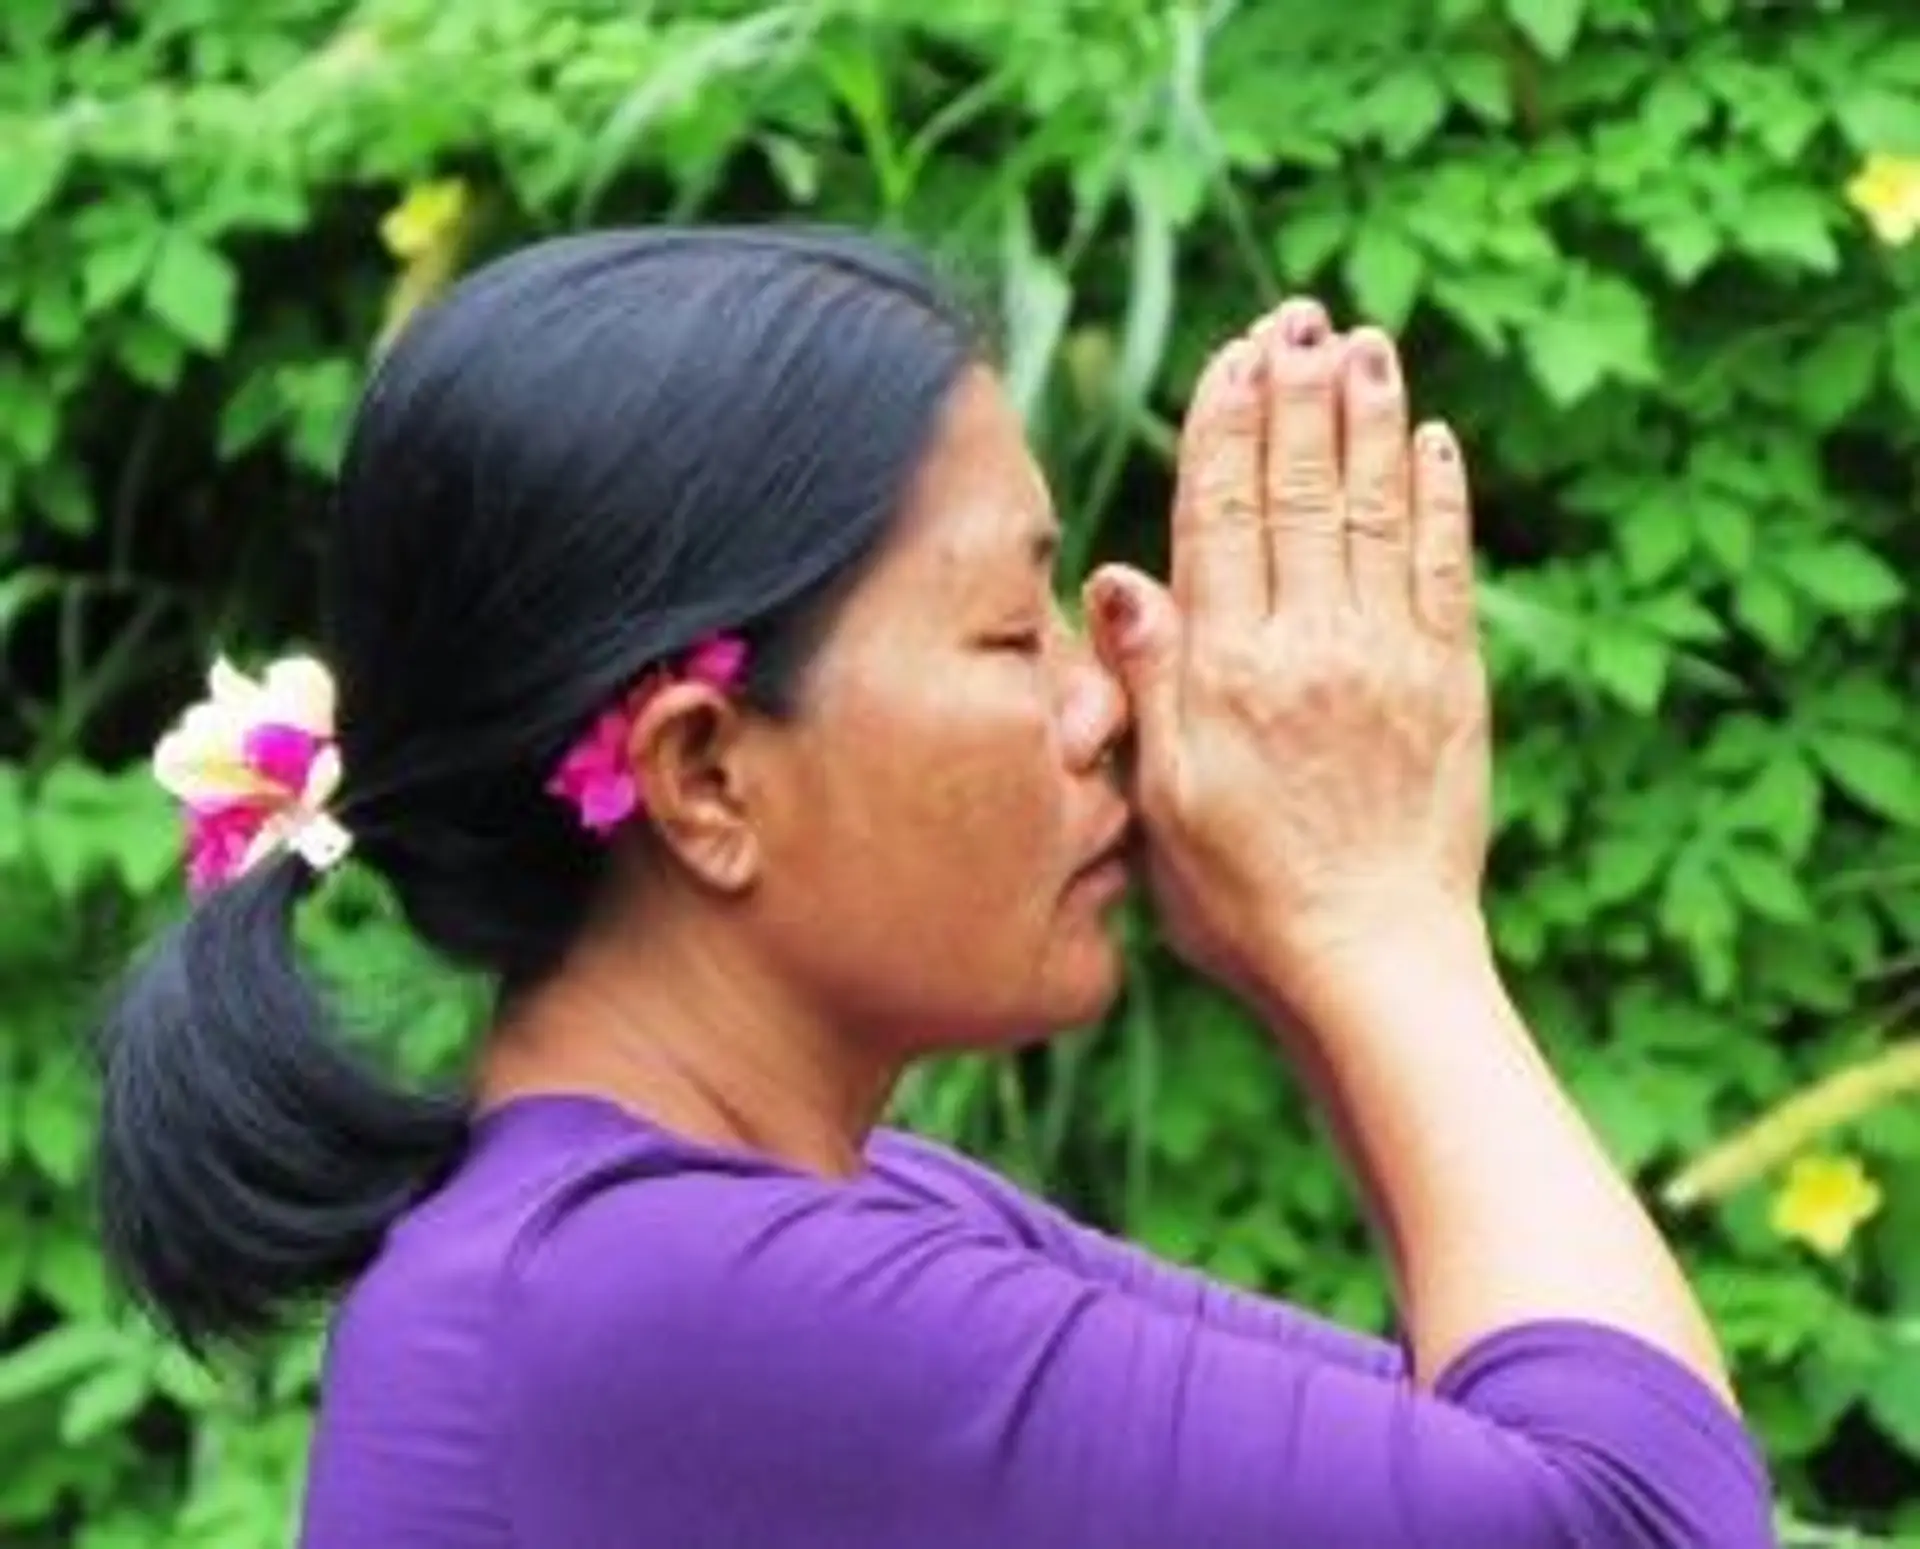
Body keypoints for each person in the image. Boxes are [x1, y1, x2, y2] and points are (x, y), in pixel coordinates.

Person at [93, 227, 1776, 1547]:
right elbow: (1649, 1519)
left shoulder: (836, 1219)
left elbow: (1487, 1445)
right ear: (706, 777)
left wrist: (1303, 954)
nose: (1099, 699)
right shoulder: (648, 1304)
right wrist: (1382, 925)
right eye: (1004, 630)